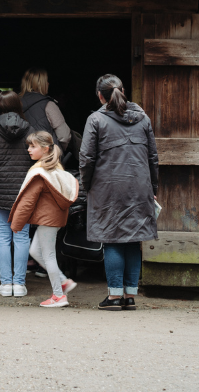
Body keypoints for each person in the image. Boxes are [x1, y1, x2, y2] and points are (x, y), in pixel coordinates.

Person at [79, 74, 159, 311]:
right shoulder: (143, 119)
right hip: (140, 186)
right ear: (123, 91)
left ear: (100, 95)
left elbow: (86, 158)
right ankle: (130, 296)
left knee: (113, 239)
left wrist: (88, 185)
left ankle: (114, 297)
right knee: (134, 240)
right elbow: (153, 157)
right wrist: (153, 188)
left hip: (108, 188)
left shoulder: (95, 120)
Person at [10, 131, 79, 307]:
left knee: (48, 255)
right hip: (53, 218)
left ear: (45, 148)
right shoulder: (56, 168)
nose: (28, 150)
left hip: (47, 220)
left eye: (33, 146)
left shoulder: (40, 172)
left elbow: (27, 201)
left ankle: (59, 295)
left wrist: (16, 223)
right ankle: (63, 282)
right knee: (35, 252)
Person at [0, 91, 33, 297]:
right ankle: (19, 284)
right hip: (23, 191)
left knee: (2, 237)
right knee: (21, 237)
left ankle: (5, 284)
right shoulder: (30, 128)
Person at [19, 68, 72, 152]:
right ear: (40, 84)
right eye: (46, 81)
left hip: (22, 157)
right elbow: (64, 136)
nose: (48, 83)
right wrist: (58, 151)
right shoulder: (48, 105)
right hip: (47, 157)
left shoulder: (15, 103)